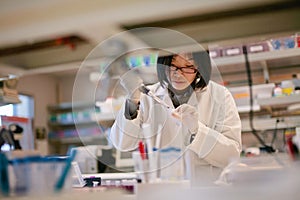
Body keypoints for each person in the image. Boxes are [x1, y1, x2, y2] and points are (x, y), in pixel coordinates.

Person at [109, 51, 242, 182]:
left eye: (188, 66)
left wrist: (198, 131)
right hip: (164, 190)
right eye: (172, 66)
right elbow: (122, 143)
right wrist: (132, 101)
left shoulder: (220, 96)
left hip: (207, 190)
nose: (178, 74)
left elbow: (232, 156)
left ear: (200, 67)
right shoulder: (147, 97)